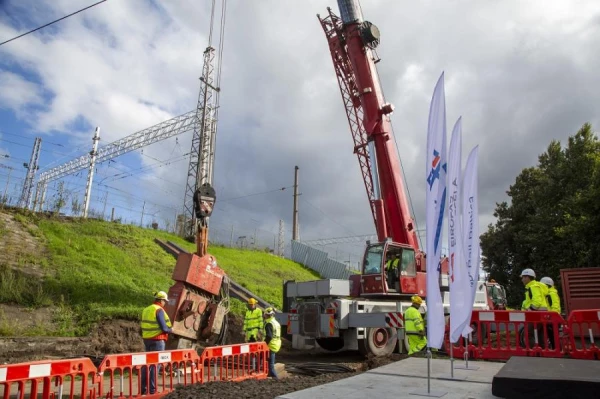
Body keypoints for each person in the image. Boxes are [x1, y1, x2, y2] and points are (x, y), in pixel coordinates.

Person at [140, 291, 172, 395]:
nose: (165, 303)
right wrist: (171, 330)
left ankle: (143, 390)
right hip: (158, 340)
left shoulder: (146, 309)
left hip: (147, 339)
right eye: (165, 301)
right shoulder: (159, 310)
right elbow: (164, 328)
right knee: (155, 365)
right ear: (161, 300)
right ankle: (152, 391)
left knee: (146, 365)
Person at [541, 276, 562, 350]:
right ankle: (556, 350)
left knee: (553, 337)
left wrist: (551, 317)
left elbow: (555, 307)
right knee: (552, 337)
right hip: (551, 318)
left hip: (553, 319)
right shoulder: (549, 293)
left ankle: (557, 351)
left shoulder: (551, 294)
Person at [244, 298, 263, 371]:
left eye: (252, 304)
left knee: (257, 350)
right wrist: (244, 330)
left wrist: (260, 330)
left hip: (256, 332)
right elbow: (246, 321)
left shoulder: (258, 311)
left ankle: (257, 366)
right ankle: (253, 365)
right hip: (249, 333)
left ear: (255, 304)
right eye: (250, 304)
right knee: (251, 350)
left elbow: (260, 320)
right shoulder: (247, 312)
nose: (251, 306)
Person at [263, 307, 281, 379]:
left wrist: (265, 344)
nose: (264, 316)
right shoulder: (275, 322)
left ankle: (275, 377)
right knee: (268, 360)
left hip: (271, 344)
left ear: (267, 315)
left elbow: (269, 336)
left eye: (265, 314)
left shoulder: (269, 324)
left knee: (271, 364)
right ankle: (269, 374)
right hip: (276, 343)